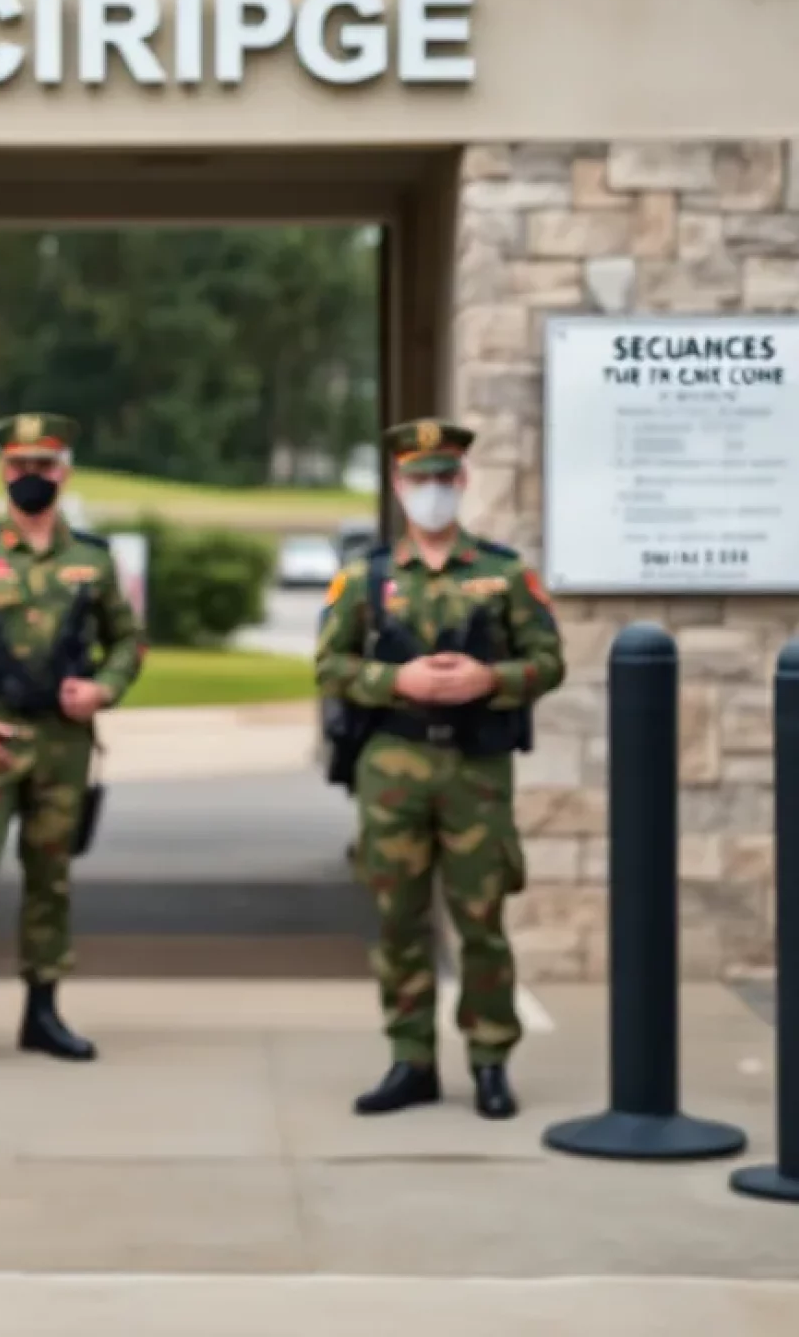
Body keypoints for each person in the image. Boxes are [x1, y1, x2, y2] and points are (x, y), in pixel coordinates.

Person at [314, 419, 563, 1121]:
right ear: (397, 485)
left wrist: (491, 677)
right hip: (393, 765)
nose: (431, 491)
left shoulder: (504, 573)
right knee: (398, 920)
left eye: (443, 477)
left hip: (475, 769)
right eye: (418, 478)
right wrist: (400, 682)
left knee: (480, 918)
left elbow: (549, 662)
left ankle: (489, 1060)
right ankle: (410, 1059)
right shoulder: (368, 575)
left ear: (463, 481)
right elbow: (328, 664)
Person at [0, 414, 144, 1072]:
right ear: (3, 471)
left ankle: (43, 1010)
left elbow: (128, 641)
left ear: (63, 472)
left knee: (51, 879)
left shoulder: (92, 561)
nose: (32, 478)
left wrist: (102, 688)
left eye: (44, 466)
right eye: (19, 466)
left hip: (60, 742)